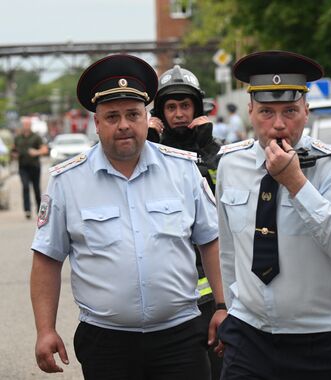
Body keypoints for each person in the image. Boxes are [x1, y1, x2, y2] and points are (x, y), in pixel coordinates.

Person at [30, 54, 226, 380]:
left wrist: (222, 307)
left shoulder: (182, 170)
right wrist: (45, 329)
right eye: (112, 116)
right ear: (96, 122)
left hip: (180, 338)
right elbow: (47, 259)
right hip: (106, 343)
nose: (123, 124)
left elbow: (211, 241)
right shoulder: (67, 181)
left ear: (146, 117)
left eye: (133, 114)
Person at [215, 50, 331, 380]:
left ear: (307, 111)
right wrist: (228, 308)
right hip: (249, 336)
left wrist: (296, 183)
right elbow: (229, 250)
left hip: (319, 340)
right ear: (250, 111)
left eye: (290, 111)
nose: (279, 124)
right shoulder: (231, 164)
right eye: (267, 111)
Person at [147, 64, 224, 380]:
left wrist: (206, 153)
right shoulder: (146, 155)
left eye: (185, 106)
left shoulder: (217, 153)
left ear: (197, 108)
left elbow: (224, 201)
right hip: (163, 293)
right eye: (171, 107)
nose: (178, 113)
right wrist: (148, 147)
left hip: (209, 291)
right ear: (160, 112)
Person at [11, 117, 48, 219]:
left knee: (36, 188)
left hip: (34, 166)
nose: (26, 126)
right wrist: (14, 155)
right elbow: (13, 150)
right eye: (24, 124)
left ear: (30, 125)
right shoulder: (18, 138)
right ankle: (27, 210)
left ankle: (39, 210)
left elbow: (44, 150)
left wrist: (36, 152)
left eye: (28, 124)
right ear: (22, 126)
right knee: (25, 187)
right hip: (23, 167)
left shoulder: (36, 137)